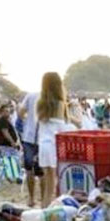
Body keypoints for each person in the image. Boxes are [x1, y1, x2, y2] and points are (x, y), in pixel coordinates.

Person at [36, 72, 74, 207]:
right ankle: (48, 211)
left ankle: (44, 208)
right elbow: (62, 127)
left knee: (48, 185)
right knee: (54, 184)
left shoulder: (41, 104)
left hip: (43, 145)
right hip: (53, 145)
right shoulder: (59, 104)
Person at [19, 87, 41, 207]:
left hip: (28, 136)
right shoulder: (51, 96)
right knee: (41, 171)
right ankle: (44, 199)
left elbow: (20, 112)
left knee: (29, 168)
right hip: (43, 137)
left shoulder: (31, 95)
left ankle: (31, 198)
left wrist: (27, 121)